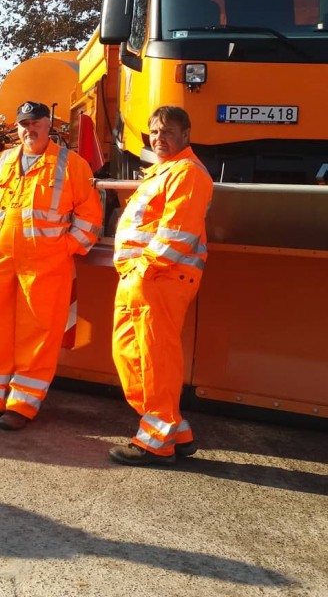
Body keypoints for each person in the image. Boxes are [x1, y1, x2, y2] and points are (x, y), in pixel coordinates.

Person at [0, 101, 102, 430]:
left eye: (36, 123)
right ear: (17, 128)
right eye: (23, 123)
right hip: (1, 264)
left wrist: (64, 250)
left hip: (45, 266)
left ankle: (22, 404)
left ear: (48, 124)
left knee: (38, 333)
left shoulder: (72, 165)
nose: (30, 129)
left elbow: (90, 217)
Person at [109, 106, 213, 466]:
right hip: (143, 279)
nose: (160, 137)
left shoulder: (188, 173)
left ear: (186, 135)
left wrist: (142, 270)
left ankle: (155, 441)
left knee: (154, 360)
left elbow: (177, 234)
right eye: (155, 132)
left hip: (160, 279)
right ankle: (176, 431)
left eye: (168, 131)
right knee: (130, 357)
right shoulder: (161, 173)